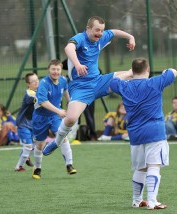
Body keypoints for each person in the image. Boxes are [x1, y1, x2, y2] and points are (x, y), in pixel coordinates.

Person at [43, 16, 135, 155]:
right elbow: (68, 48)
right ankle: (56, 142)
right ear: (88, 29)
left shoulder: (101, 37)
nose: (100, 33)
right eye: (97, 30)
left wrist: (130, 36)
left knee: (133, 73)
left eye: (102, 30)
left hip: (98, 82)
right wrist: (78, 65)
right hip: (80, 87)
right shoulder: (80, 38)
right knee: (71, 119)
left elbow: (114, 32)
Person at [110, 58, 177, 210]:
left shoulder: (124, 86)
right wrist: (165, 72)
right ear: (147, 70)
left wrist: (128, 74)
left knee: (140, 168)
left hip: (135, 134)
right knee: (154, 166)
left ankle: (137, 200)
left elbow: (113, 81)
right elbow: (173, 72)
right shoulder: (154, 82)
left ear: (133, 71)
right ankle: (152, 201)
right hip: (154, 131)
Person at [32, 59, 77, 179]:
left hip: (54, 117)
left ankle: (69, 165)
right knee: (40, 145)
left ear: (61, 70)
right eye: (53, 69)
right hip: (40, 117)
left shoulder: (63, 80)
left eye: (58, 69)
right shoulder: (44, 83)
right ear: (48, 70)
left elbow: (66, 91)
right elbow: (43, 102)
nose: (55, 72)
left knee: (63, 137)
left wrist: (70, 103)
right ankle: (37, 168)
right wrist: (59, 111)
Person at [14, 73, 39, 172]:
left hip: (33, 124)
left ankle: (26, 157)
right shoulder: (29, 93)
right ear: (28, 84)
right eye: (34, 81)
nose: (37, 82)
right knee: (28, 146)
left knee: (33, 146)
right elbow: (34, 98)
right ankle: (18, 167)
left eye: (37, 79)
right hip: (23, 124)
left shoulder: (38, 91)